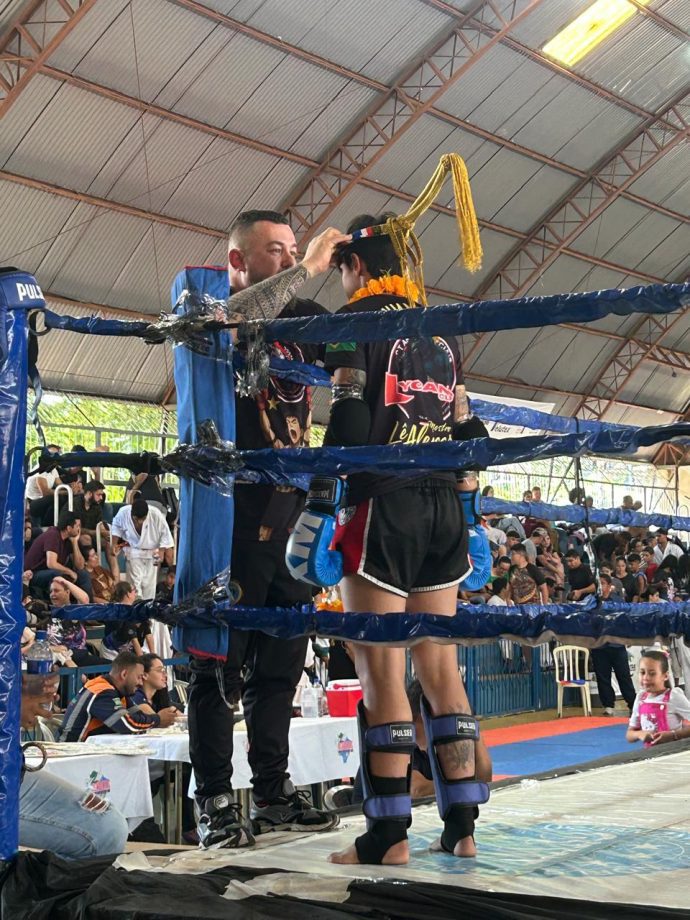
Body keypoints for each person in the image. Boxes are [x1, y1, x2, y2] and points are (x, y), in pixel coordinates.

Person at [303, 210, 492, 866]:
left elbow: (352, 417)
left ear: (352, 265)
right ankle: (462, 828)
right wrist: (472, 512)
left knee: (381, 669)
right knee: (441, 667)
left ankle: (387, 837)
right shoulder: (440, 334)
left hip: (382, 506)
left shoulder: (355, 323)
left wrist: (318, 500)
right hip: (444, 509)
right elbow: (471, 434)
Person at [188, 211, 350, 850]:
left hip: (292, 521)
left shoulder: (302, 321)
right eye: (274, 251)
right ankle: (216, 804)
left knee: (280, 669)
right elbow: (232, 319)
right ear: (239, 262)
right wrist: (307, 267)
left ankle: (275, 795)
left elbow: (358, 354)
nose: (287, 261)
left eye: (292, 251)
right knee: (215, 670)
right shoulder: (212, 314)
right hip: (229, 519)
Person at [20, 673, 129, 859]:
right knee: (104, 831)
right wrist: (10, 705)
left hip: (11, 767)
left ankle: (49, 885)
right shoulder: (102, 689)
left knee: (108, 825)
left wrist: (22, 688)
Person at [60, 651, 177, 741]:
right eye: (139, 677)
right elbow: (128, 724)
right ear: (124, 674)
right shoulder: (102, 692)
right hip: (72, 755)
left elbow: (137, 716)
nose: (141, 683)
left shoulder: (120, 692)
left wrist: (155, 719)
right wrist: (157, 719)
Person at [111, 498, 174, 600]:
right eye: (137, 519)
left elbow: (165, 535)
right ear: (131, 513)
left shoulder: (156, 514)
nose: (140, 522)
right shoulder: (123, 513)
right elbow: (116, 527)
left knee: (149, 586)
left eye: (143, 518)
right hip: (133, 551)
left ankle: (147, 609)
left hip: (152, 552)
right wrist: (113, 544)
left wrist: (162, 552)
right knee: (134, 586)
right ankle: (136, 607)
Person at [25, 508, 92, 600]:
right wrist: (69, 571)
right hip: (32, 574)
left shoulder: (69, 539)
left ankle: (88, 607)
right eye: (78, 526)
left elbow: (80, 566)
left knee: (83, 574)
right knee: (56, 574)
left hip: (48, 571)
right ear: (69, 528)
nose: (79, 529)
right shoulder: (53, 535)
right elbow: (51, 564)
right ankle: (55, 608)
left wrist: (75, 542)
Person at [626, 650, 690, 746]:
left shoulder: (674, 696)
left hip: (674, 753)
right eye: (642, 672)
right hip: (651, 756)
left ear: (665, 676)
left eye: (652, 673)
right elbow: (629, 735)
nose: (646, 677)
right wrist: (640, 734)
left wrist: (673, 735)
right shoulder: (640, 698)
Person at [101, 581, 154, 661]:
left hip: (124, 648)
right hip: (111, 650)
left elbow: (148, 636)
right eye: (134, 590)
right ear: (128, 594)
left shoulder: (134, 613)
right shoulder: (121, 613)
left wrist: (153, 657)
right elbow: (134, 640)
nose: (136, 592)